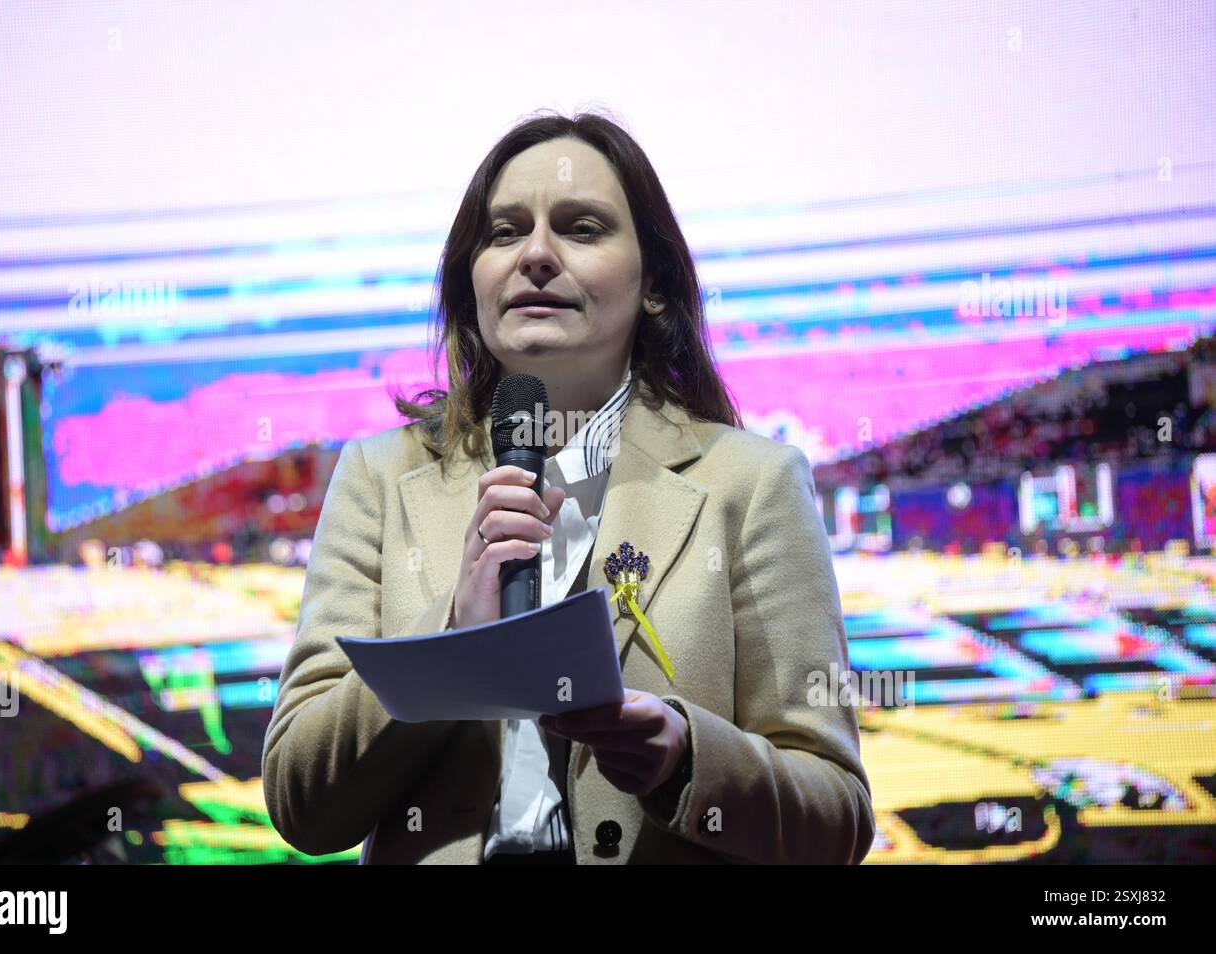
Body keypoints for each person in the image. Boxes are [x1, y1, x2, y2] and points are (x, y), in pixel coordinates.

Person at [261, 111, 875, 865]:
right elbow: (300, 804)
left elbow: (838, 821)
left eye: (581, 228)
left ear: (653, 285)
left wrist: (686, 759)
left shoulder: (751, 484)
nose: (537, 255)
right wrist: (451, 629)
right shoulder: (379, 479)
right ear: (471, 282)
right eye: (505, 231)